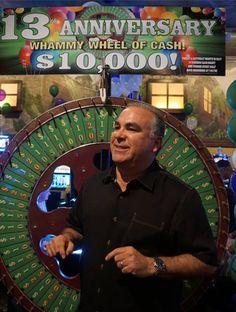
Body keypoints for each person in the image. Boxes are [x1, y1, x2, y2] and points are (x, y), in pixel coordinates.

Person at [46, 103, 217, 312]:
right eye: (117, 127)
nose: (119, 135)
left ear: (156, 144)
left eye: (131, 129)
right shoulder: (93, 186)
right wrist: (66, 238)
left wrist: (151, 265)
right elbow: (75, 228)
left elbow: (206, 263)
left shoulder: (181, 197)